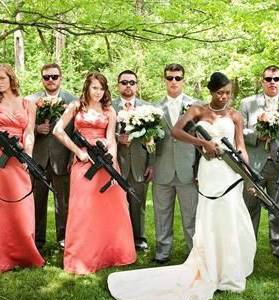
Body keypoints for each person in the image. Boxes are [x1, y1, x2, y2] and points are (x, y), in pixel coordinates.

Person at [108, 72, 256, 300]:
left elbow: (241, 146)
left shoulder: (235, 115)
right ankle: (206, 263)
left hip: (230, 173)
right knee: (207, 218)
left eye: (228, 93)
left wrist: (244, 167)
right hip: (209, 171)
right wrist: (203, 144)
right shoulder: (198, 110)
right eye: (220, 93)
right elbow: (176, 132)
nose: (224, 97)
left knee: (231, 218)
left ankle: (229, 266)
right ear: (211, 91)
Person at [53, 72, 136, 274]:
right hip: (83, 164)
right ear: (87, 88)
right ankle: (82, 258)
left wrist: (112, 163)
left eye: (101, 88)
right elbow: (57, 130)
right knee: (83, 210)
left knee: (111, 209)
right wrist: (78, 151)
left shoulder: (109, 111)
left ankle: (112, 254)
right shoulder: (75, 107)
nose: (98, 92)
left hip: (104, 164)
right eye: (94, 88)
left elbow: (112, 139)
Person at [241, 65, 279, 261]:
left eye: (276, 79)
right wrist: (259, 135)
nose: (272, 82)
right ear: (262, 81)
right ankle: (247, 247)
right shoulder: (248, 104)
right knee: (250, 206)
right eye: (268, 79)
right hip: (255, 162)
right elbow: (240, 132)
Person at [152, 63, 200, 263]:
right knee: (161, 215)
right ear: (164, 79)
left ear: (183, 80)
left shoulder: (196, 106)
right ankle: (162, 253)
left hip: (187, 169)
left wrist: (200, 168)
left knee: (191, 216)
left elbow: (202, 140)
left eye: (177, 78)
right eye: (170, 78)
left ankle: (194, 252)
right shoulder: (153, 108)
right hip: (162, 168)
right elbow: (149, 140)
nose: (173, 81)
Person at [27, 63, 76, 250]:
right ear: (42, 79)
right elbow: (25, 129)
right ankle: (37, 241)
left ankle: (64, 240)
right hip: (38, 160)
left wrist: (72, 157)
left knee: (63, 204)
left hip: (62, 159)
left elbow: (75, 132)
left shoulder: (72, 100)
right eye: (46, 77)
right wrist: (38, 129)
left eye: (54, 76)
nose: (51, 80)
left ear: (60, 78)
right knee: (37, 202)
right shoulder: (32, 100)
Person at [0, 63, 44, 272]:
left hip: (20, 160)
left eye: (2, 78)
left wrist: (28, 156)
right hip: (1, 159)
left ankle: (24, 252)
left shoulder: (27, 103)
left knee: (22, 206)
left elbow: (29, 132)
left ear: (11, 79)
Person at [112, 70, 153, 251]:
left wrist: (151, 163)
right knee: (115, 204)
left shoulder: (148, 108)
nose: (128, 85)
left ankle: (139, 238)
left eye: (132, 82)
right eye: (124, 82)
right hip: (116, 162)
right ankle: (118, 239)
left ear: (137, 85)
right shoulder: (109, 107)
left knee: (138, 202)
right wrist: (116, 136)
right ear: (118, 85)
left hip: (139, 161)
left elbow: (154, 137)